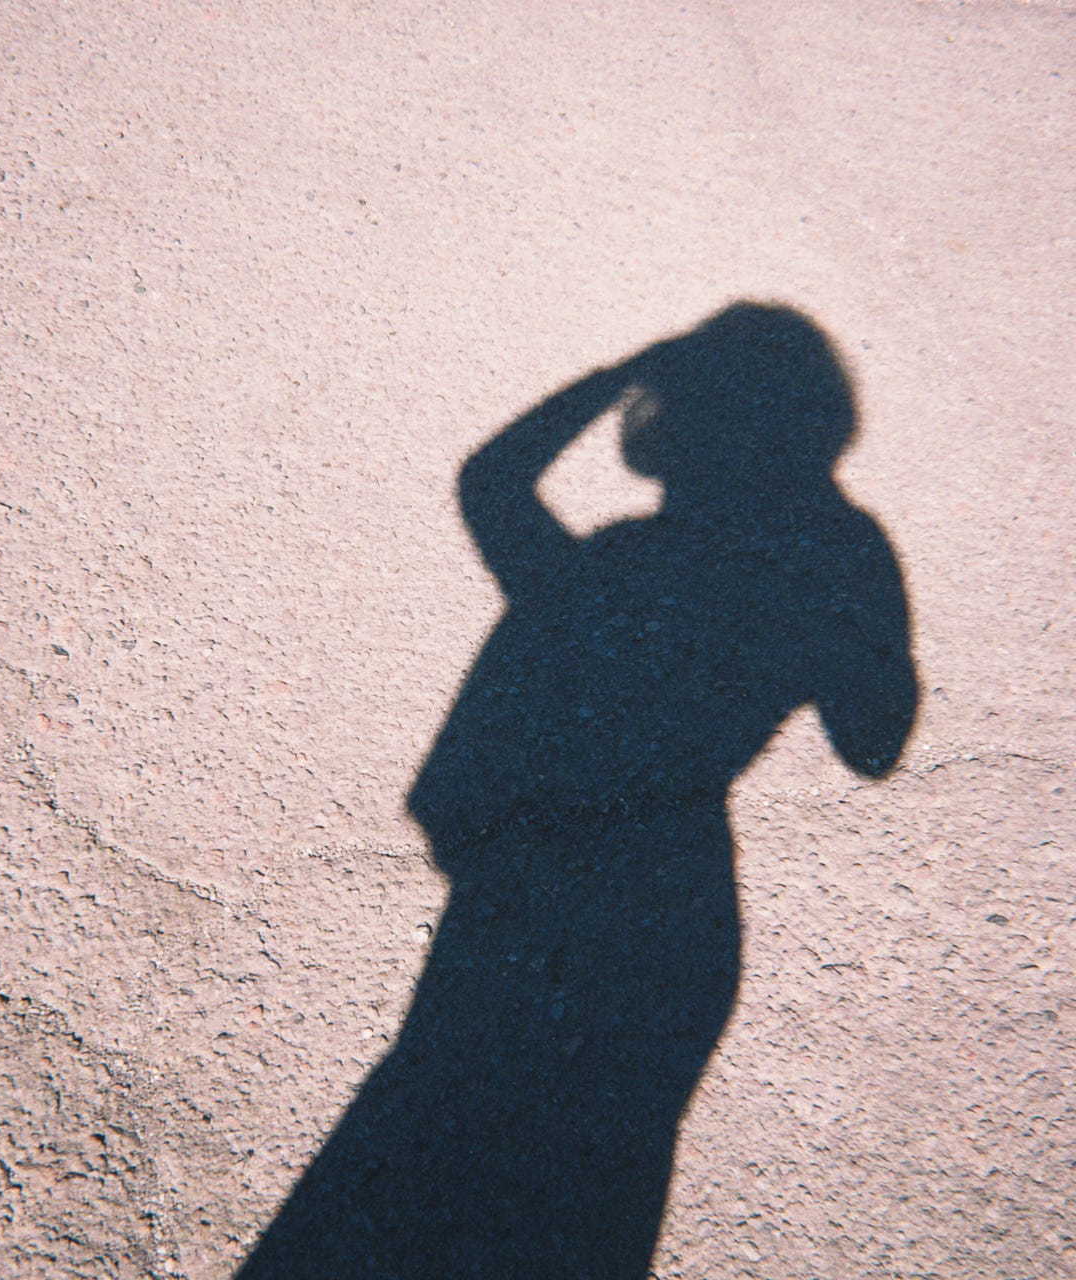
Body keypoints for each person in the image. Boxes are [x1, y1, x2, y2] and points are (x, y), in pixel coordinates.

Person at [239, 302, 917, 1279]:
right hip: (641, 905)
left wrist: (619, 371)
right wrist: (848, 584)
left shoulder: (628, 569)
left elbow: (492, 478)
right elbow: (873, 739)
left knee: (407, 1184)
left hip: (545, 900)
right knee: (566, 1209)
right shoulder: (773, 560)